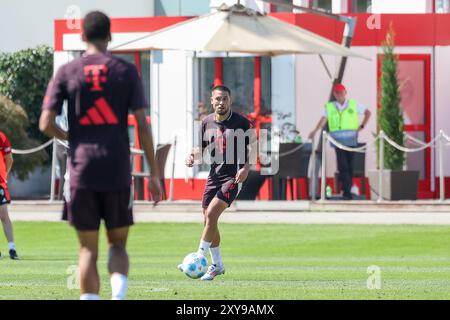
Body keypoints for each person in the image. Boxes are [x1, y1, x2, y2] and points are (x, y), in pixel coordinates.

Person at [39, 11, 161, 300]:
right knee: (117, 246)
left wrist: (69, 136)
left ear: (82, 36)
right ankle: (118, 296)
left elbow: (45, 123)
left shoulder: (67, 72)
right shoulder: (126, 70)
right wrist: (154, 172)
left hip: (82, 170)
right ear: (110, 36)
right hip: (117, 168)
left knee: (87, 251)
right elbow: (142, 126)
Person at [182, 85, 256, 281]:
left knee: (213, 213)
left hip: (233, 176)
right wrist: (192, 157)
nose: (221, 102)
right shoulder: (206, 123)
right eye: (217, 99)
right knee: (208, 219)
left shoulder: (242, 122)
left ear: (230, 100)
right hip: (214, 175)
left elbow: (255, 148)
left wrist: (246, 168)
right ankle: (217, 265)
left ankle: (199, 257)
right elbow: (200, 148)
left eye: (224, 99)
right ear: (211, 101)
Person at [308, 83, 371, 200]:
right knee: (343, 166)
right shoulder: (330, 107)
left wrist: (361, 126)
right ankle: (347, 192)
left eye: (341, 93)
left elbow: (368, 112)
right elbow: (323, 120)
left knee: (350, 166)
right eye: (337, 93)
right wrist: (315, 131)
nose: (339, 95)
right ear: (334, 94)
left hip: (351, 141)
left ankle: (346, 189)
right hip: (338, 142)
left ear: (345, 93)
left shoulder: (353, 104)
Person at [0, 131, 19, 260]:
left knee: (4, 215)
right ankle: (11, 249)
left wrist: (5, 175)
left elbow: (9, 159)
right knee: (4, 215)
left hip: (0, 182)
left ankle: (12, 248)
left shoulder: (1, 136)